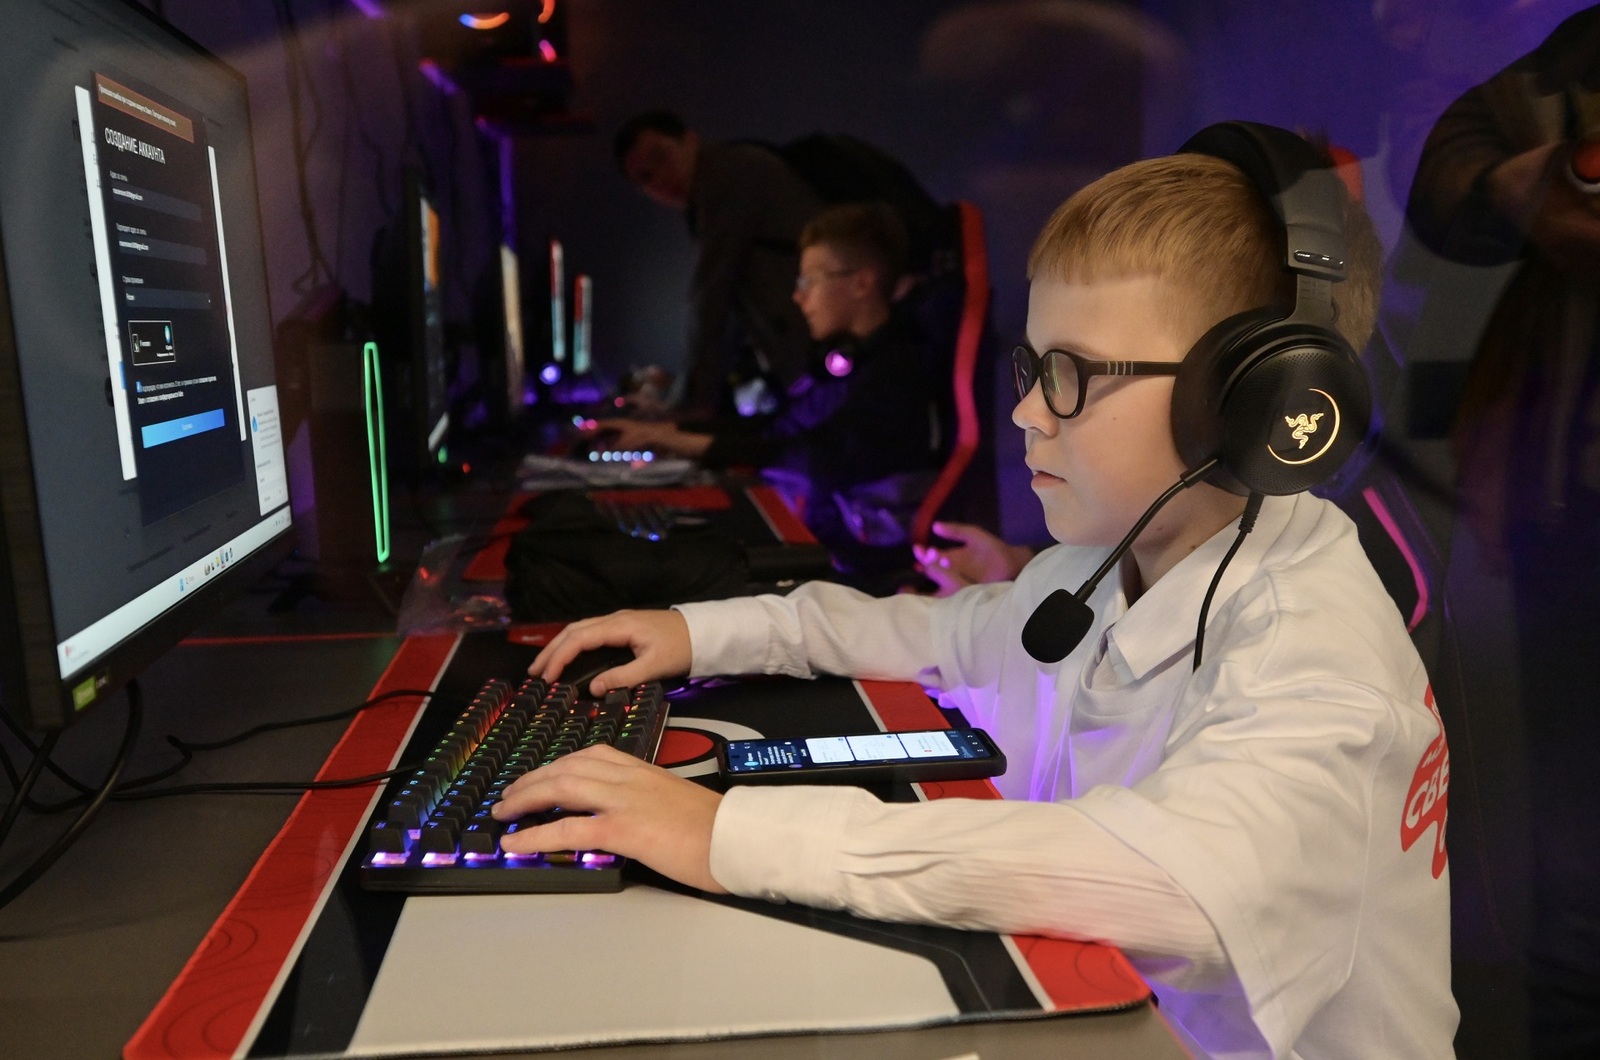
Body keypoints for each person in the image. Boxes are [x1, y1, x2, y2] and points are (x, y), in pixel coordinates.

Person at [493, 132, 1458, 1057]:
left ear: (1251, 401)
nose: (1026, 411)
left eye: (1071, 374)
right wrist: (702, 633)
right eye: (1033, 366)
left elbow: (1180, 884)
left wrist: (724, 834)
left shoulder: (1318, 660)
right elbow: (935, 632)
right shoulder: (1104, 569)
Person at [1405, 8, 1600, 1054]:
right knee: (1574, 866)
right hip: (1572, 515)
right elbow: (1452, 169)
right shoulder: (1573, 62)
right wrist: (1520, 186)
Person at [591, 202, 947, 580]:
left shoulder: (895, 373)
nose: (798, 297)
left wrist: (677, 440)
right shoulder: (844, 360)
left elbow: (810, 457)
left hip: (858, 564)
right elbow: (776, 427)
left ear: (861, 283)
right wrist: (666, 433)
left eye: (808, 281)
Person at [615, 110, 822, 417]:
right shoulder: (726, 177)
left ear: (690, 141)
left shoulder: (726, 174)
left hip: (816, 344)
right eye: (645, 179)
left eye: (660, 157)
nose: (660, 179)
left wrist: (686, 406)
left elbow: (711, 298)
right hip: (810, 348)